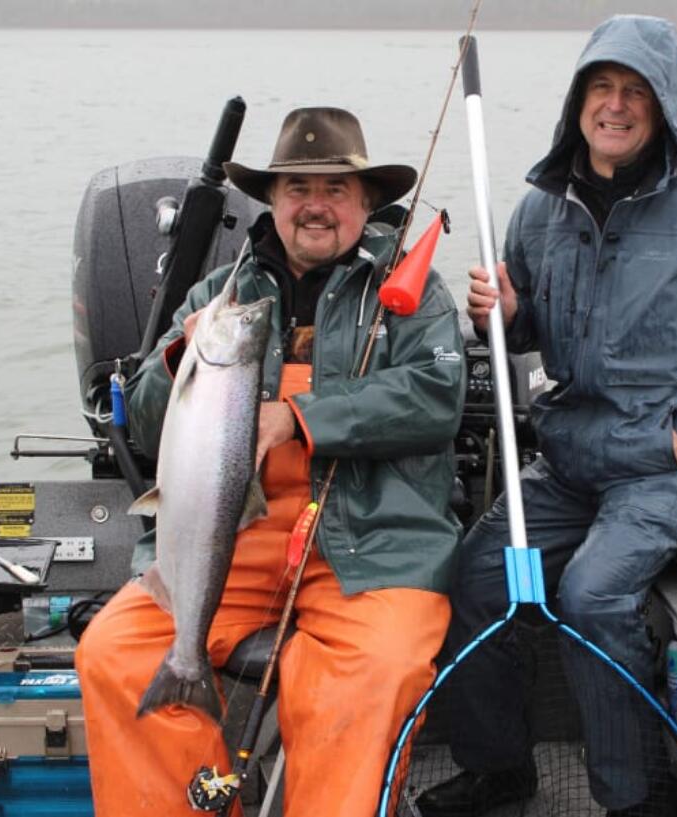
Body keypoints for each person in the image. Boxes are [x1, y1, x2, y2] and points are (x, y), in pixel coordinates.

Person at [417, 15, 677, 817]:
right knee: (477, 573)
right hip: (572, 454)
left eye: (636, 91)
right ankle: (499, 767)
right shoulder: (538, 209)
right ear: (578, 102)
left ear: (665, 107)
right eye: (602, 88)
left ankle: (636, 797)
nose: (617, 106)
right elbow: (521, 334)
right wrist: (507, 310)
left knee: (593, 594)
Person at [76, 107, 467, 817]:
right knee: (116, 653)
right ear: (272, 201)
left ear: (367, 202)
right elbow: (143, 418)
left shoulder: (416, 293)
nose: (315, 205)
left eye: (336, 190)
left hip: (375, 546)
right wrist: (175, 358)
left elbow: (436, 395)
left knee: (366, 676)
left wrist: (297, 416)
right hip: (231, 539)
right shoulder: (221, 293)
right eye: (296, 188)